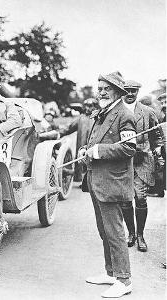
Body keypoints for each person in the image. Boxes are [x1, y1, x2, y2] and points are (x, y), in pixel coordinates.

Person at [80, 72, 136, 298]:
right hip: (97, 180)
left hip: (112, 182)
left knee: (114, 232)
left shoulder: (124, 114)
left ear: (118, 92)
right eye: (100, 88)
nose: (101, 92)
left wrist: (98, 151)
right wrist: (87, 151)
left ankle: (124, 280)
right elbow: (95, 142)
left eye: (106, 88)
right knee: (104, 230)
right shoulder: (102, 113)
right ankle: (111, 273)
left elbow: (129, 148)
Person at [119, 80, 163, 252]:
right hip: (122, 162)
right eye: (127, 91)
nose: (130, 94)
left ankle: (140, 235)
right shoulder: (117, 113)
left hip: (143, 161)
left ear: (137, 92)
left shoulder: (148, 112)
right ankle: (130, 233)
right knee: (125, 199)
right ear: (122, 92)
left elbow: (156, 136)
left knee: (141, 198)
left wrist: (158, 153)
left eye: (133, 91)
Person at [59, 98, 99, 181]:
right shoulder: (81, 118)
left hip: (94, 146)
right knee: (81, 162)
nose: (87, 108)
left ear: (95, 107)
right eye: (86, 106)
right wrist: (59, 133)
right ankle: (82, 179)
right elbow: (69, 128)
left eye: (90, 106)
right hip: (82, 145)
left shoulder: (99, 118)